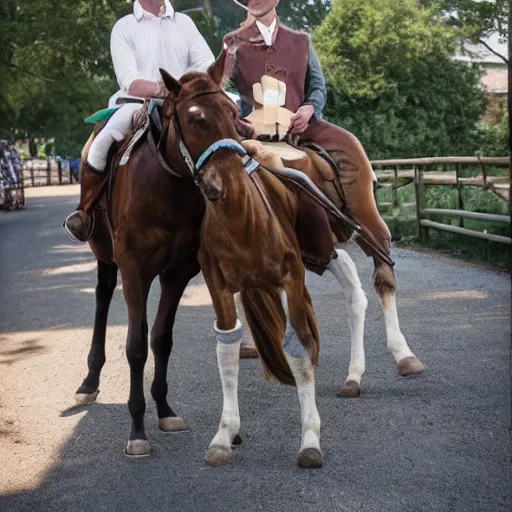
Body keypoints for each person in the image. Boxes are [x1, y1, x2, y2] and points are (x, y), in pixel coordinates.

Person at [224, 0, 392, 259]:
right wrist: (237, 114)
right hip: (253, 131)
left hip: (304, 127)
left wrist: (309, 108)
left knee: (351, 148)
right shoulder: (232, 42)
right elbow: (220, 86)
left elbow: (317, 86)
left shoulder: (301, 41)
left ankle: (361, 224)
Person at [64, 0, 215, 242]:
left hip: (184, 101)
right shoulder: (124, 27)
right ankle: (86, 211)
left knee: (227, 129)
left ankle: (237, 205)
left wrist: (187, 90)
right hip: (135, 103)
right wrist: (165, 89)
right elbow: (130, 81)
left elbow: (207, 64)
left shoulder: (184, 23)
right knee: (100, 143)